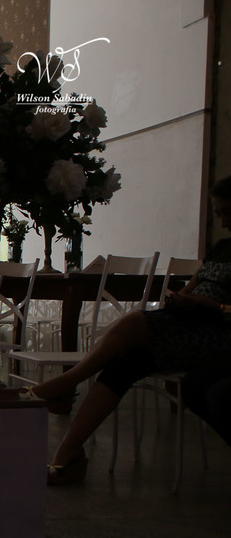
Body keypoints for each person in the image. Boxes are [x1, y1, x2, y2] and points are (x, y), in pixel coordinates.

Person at [29, 177, 231, 484]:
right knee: (123, 363)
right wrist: (184, 297)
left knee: (136, 322)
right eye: (218, 214)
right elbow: (195, 285)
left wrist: (214, 307)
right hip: (189, 324)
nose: (224, 221)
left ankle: (66, 383)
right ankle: (67, 454)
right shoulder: (222, 247)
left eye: (228, 212)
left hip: (219, 334)